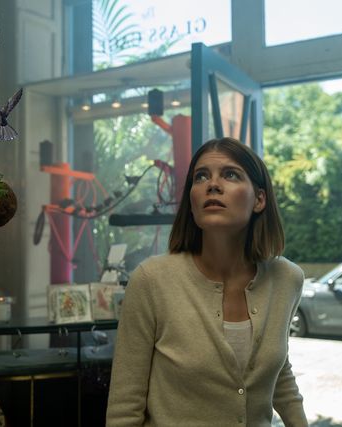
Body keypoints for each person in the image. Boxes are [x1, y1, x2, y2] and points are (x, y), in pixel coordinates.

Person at [106, 137, 308, 427]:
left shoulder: (287, 279)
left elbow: (278, 372)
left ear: (259, 199)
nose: (212, 184)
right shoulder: (151, 280)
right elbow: (125, 406)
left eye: (230, 174)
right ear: (192, 201)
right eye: (201, 177)